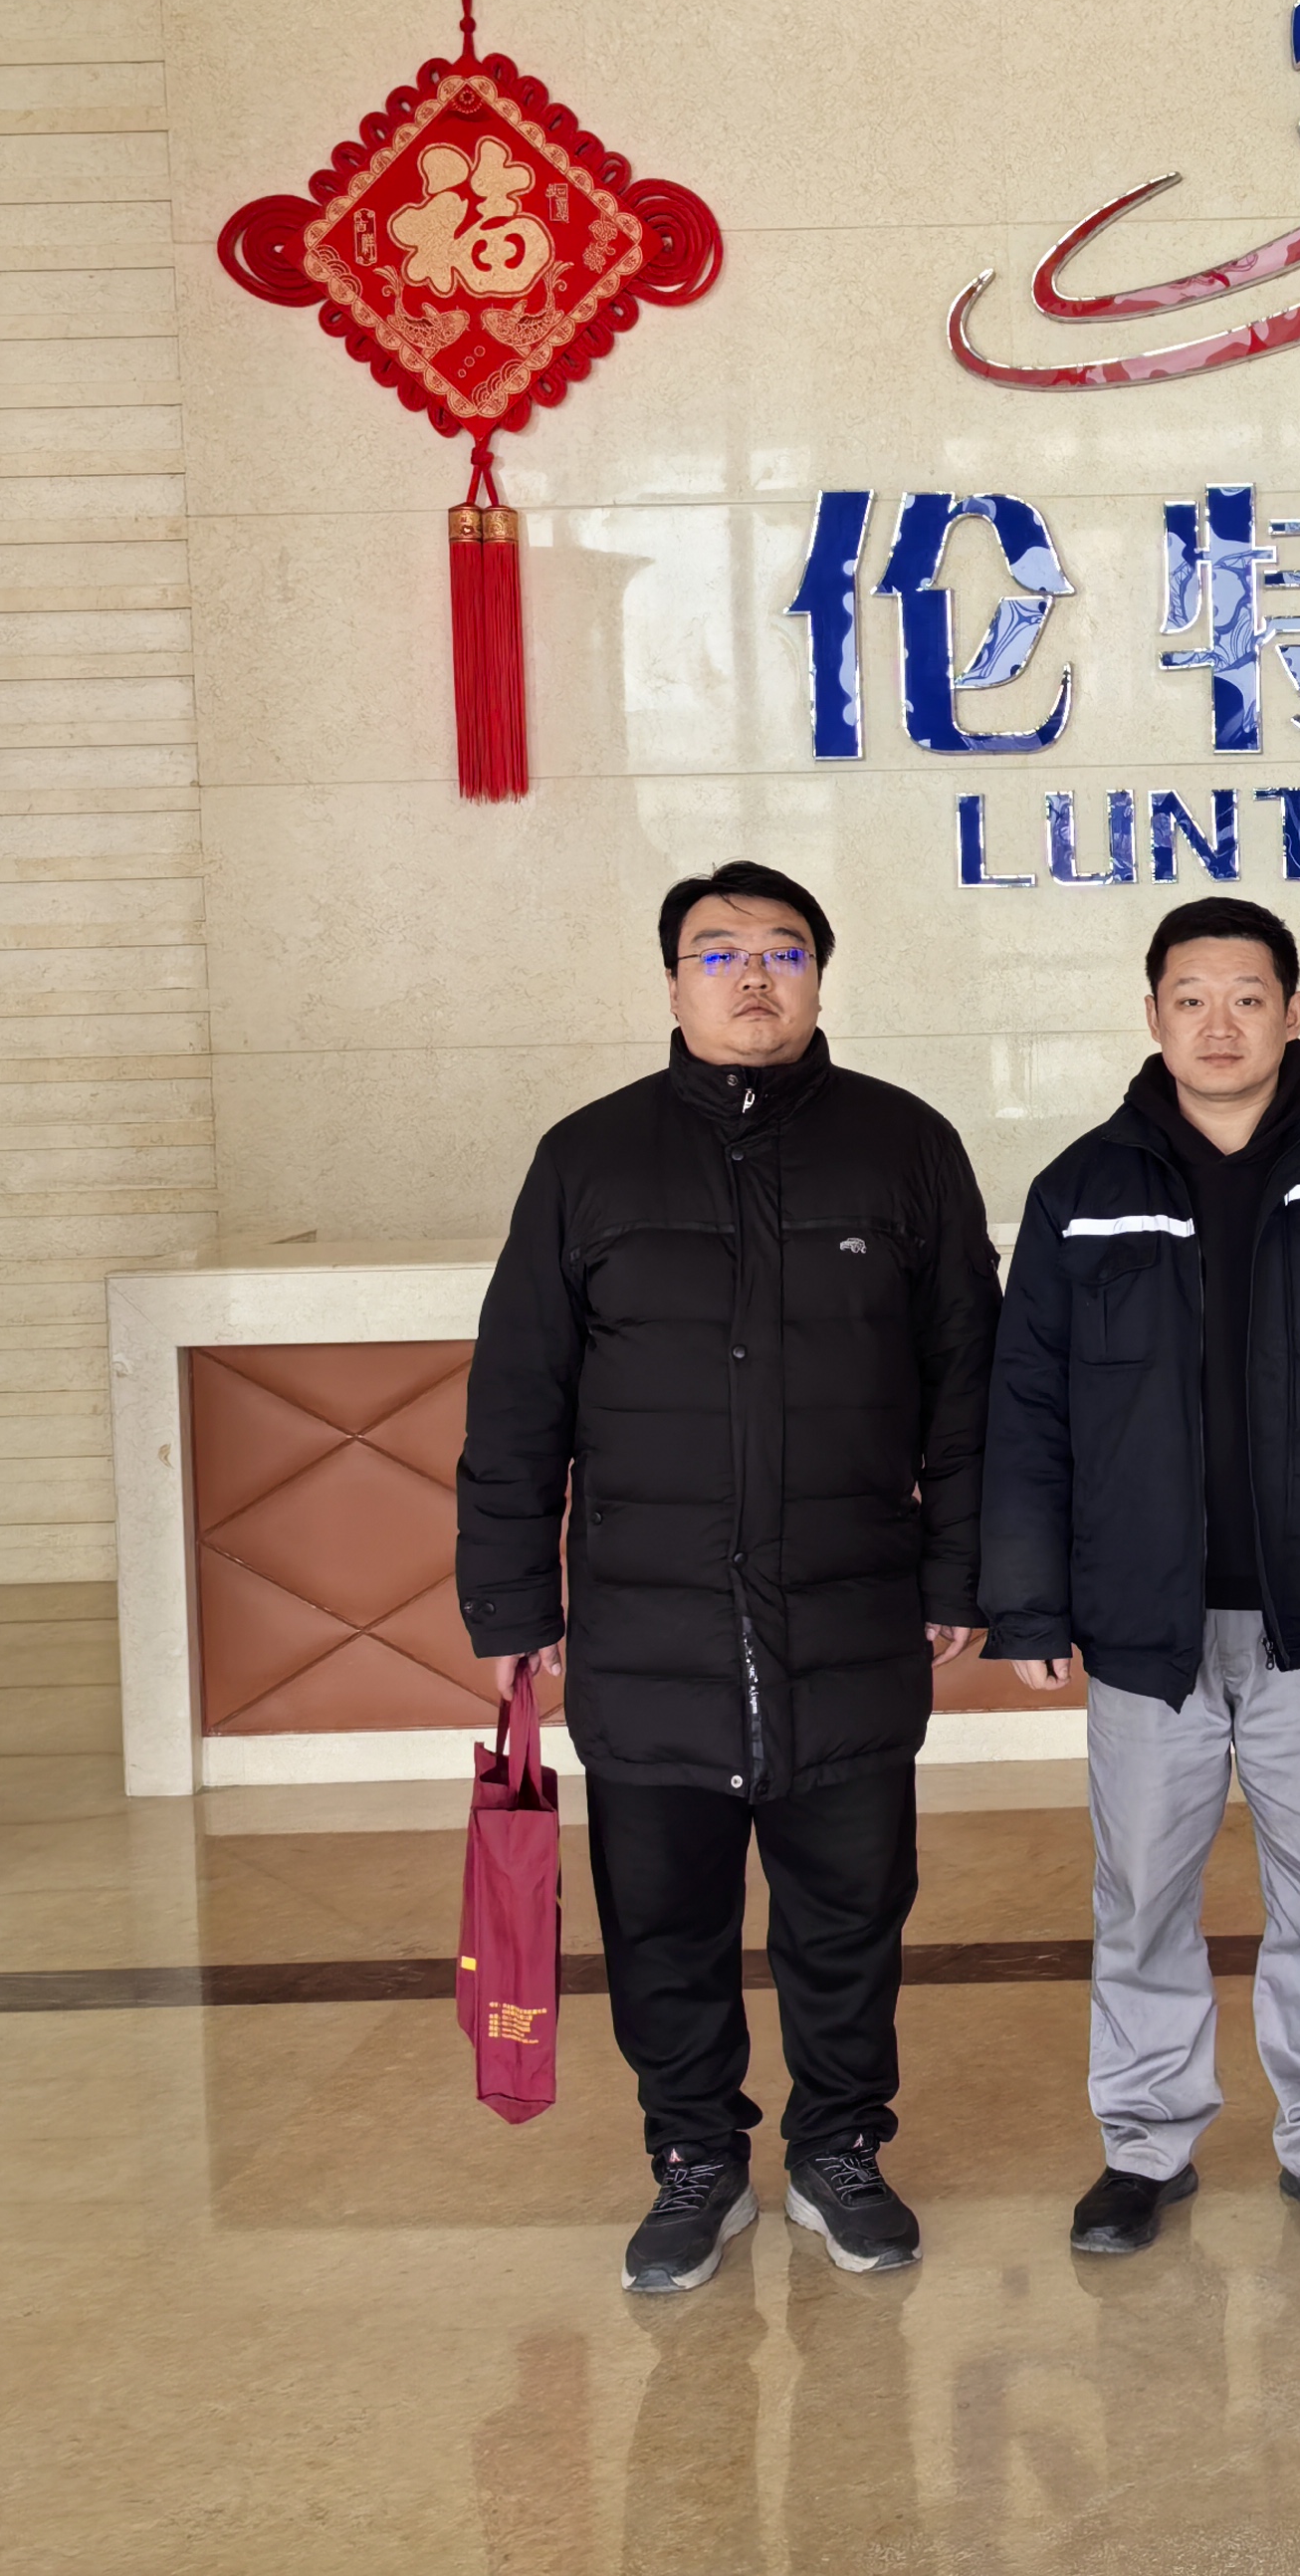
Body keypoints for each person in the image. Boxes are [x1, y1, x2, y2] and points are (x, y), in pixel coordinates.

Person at [456, 861, 997, 2293]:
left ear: (820, 974)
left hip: (852, 1608)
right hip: (650, 1625)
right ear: (672, 983)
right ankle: (694, 2157)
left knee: (850, 1918)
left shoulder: (906, 1146)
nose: (753, 976)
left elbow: (970, 1385)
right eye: (718, 953)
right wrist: (511, 1604)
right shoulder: (588, 1158)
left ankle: (839, 2150)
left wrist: (961, 1570)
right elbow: (517, 1399)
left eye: (782, 950)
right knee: (663, 1924)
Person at [981, 896, 1300, 2256]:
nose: (1220, 1024)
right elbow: (1026, 1411)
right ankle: (1144, 2146)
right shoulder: (1081, 1189)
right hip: (1139, 1619)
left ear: (1294, 1012)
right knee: (1142, 1900)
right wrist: (1026, 1601)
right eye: (1191, 998)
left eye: (1248, 997)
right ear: (1153, 1015)